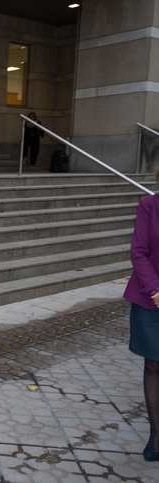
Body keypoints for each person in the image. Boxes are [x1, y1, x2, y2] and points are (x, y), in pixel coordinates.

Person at [123, 174, 159, 463]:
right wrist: (156, 290)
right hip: (152, 299)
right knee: (154, 364)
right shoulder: (149, 206)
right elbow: (139, 252)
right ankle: (156, 434)